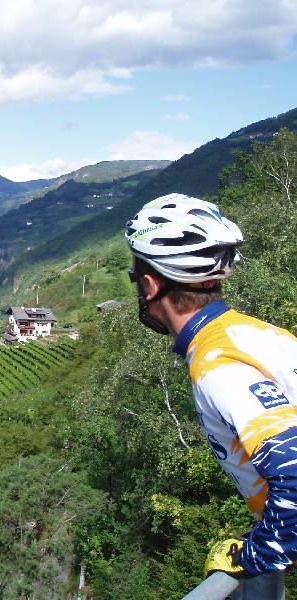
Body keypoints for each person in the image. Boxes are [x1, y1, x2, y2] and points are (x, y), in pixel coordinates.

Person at [124, 193, 297, 599]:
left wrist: (253, 556)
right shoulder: (254, 334)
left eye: (135, 277)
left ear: (150, 286)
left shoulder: (217, 365)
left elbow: (294, 470)